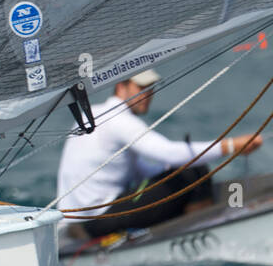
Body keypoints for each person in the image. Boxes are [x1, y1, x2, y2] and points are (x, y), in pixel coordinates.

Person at [56, 70, 262, 238]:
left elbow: (137, 171)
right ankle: (206, 233)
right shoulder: (119, 120)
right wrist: (231, 146)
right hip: (95, 222)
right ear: (121, 86)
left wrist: (169, 170)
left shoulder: (92, 114)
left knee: (185, 168)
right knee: (194, 169)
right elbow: (168, 153)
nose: (147, 93)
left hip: (79, 221)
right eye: (141, 87)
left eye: (150, 88)